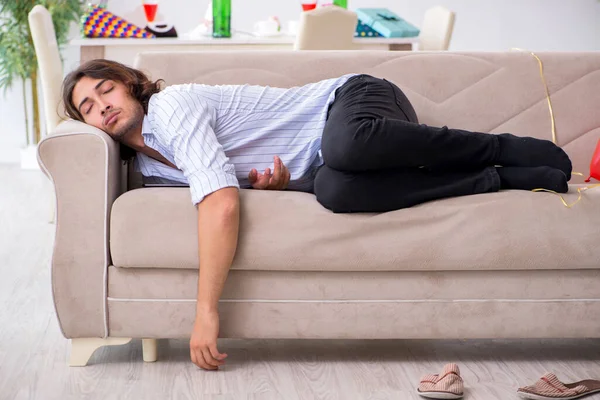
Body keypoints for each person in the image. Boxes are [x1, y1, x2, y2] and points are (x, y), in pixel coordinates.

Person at [62, 59, 572, 371]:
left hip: (354, 102)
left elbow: (219, 203)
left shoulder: (171, 107)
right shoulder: (152, 171)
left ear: (130, 85)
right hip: (329, 159)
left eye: (105, 90)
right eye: (86, 106)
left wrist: (205, 312)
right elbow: (237, 179)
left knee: (347, 148)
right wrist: (281, 184)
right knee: (335, 190)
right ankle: (499, 178)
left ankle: (500, 147)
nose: (100, 106)